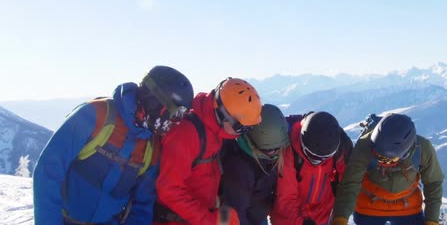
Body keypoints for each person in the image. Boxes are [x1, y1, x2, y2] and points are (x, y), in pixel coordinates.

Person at [33, 65, 194, 225]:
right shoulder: (95, 115)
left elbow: (142, 205)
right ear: (154, 101)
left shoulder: (152, 148)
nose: (175, 122)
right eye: (176, 113)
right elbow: (48, 172)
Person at [153, 77, 263, 225]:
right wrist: (208, 220)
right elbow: (169, 190)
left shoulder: (214, 130)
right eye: (241, 128)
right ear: (223, 115)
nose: (243, 133)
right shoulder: (186, 134)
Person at [330, 113, 444, 225]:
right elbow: (351, 182)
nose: (381, 161)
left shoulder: (423, 148)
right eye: (378, 155)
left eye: (387, 159)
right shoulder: (365, 144)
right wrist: (341, 217)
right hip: (369, 206)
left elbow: (434, 183)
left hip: (407, 208)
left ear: (404, 152)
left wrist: (432, 220)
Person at [271, 111, 353, 225]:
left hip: (324, 216)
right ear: (302, 142)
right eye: (313, 156)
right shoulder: (288, 150)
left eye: (326, 158)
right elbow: (286, 199)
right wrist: (303, 222)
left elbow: (349, 184)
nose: (319, 161)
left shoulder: (341, 148)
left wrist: (341, 215)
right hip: (291, 220)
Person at [220, 103, 291, 225]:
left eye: (278, 147)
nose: (275, 152)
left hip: (258, 217)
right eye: (270, 149)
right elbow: (235, 213)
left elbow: (286, 124)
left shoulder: (267, 151)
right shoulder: (240, 168)